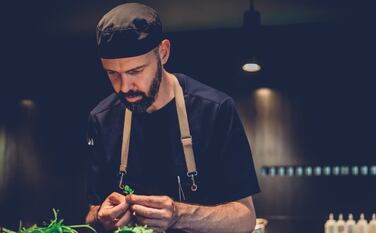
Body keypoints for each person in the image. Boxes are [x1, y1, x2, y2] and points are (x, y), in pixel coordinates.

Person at [84, 3, 260, 233]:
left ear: (163, 52)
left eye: (135, 71)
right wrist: (101, 217)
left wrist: (179, 215)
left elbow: (245, 218)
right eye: (113, 74)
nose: (125, 87)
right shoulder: (101, 119)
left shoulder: (215, 110)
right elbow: (91, 213)